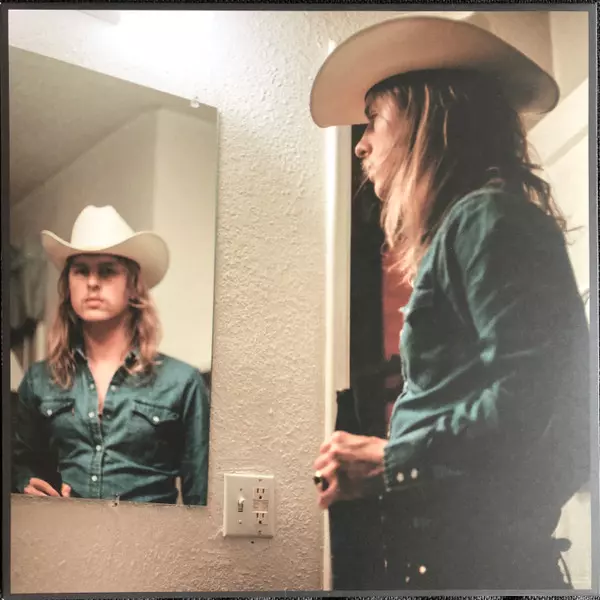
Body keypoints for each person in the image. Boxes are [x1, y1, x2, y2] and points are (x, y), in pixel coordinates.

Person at [310, 16, 590, 590]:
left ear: (426, 117)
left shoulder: (487, 216)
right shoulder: (474, 223)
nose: (360, 143)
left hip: (484, 567)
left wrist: (391, 459)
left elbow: (535, 394)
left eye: (373, 119)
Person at [12, 205, 210, 506]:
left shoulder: (182, 382)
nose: (92, 282)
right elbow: (21, 464)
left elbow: (202, 497)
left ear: (133, 286)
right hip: (62, 532)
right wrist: (25, 482)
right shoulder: (40, 381)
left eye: (107, 270)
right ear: (68, 284)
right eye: (81, 271)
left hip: (152, 535)